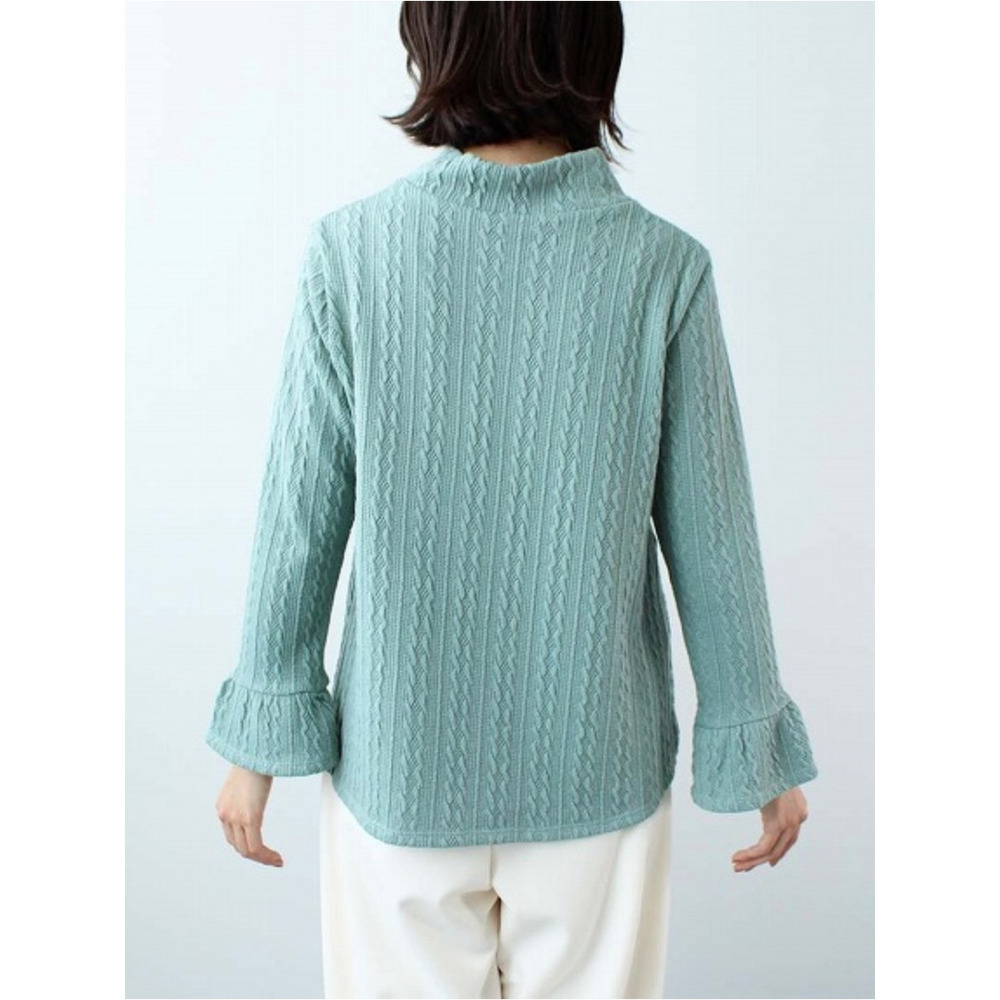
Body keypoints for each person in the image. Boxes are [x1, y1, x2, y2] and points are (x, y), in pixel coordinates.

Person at [205, 3, 819, 998]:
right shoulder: (661, 266)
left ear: (434, 42)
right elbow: (713, 532)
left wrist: (256, 747)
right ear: (594, 45)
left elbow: (299, 520)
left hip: (400, 767)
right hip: (597, 768)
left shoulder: (353, 252)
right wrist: (758, 744)